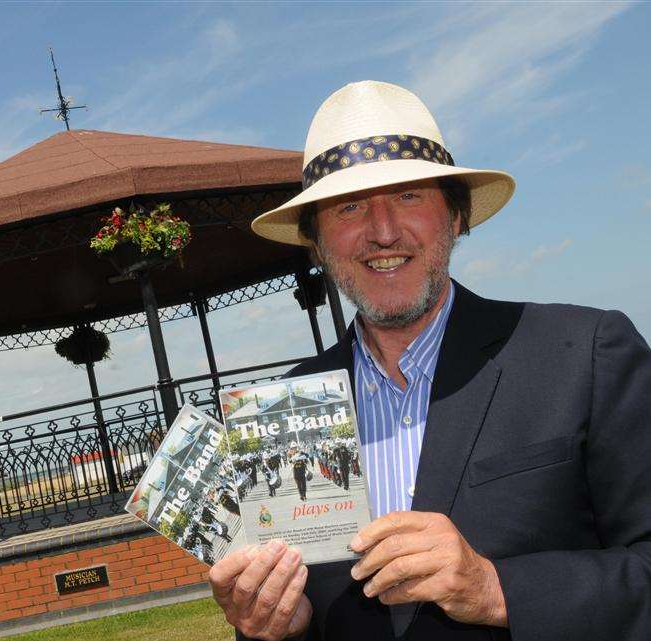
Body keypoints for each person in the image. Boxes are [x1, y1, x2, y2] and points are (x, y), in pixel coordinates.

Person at [207, 81, 651, 641]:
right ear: (316, 243)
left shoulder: (585, 352)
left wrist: (496, 589)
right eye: (349, 207)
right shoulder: (283, 414)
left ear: (457, 215)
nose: (383, 231)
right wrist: (279, 626)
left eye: (410, 195)